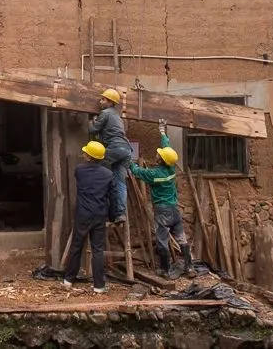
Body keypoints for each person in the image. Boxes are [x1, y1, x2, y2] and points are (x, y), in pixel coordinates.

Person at [129, 120, 194, 279]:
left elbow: (137, 171)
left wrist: (127, 158)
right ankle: (190, 267)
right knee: (181, 238)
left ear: (160, 160)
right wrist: (163, 131)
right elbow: (167, 148)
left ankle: (165, 270)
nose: (157, 153)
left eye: (159, 154)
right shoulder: (171, 167)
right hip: (174, 208)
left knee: (162, 240)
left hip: (162, 210)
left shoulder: (154, 174)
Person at [61, 140, 117, 294]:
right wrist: (112, 216)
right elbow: (113, 197)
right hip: (99, 215)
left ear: (89, 156)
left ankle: (68, 280)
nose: (84, 154)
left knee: (77, 246)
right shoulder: (108, 174)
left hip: (83, 215)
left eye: (86, 152)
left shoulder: (80, 170)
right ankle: (99, 286)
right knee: (98, 250)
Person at [88, 88, 131, 223]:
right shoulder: (117, 116)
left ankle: (96, 206)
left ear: (111, 102)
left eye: (103, 99)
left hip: (115, 147)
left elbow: (93, 129)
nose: (101, 101)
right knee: (120, 183)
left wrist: (91, 121)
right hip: (126, 150)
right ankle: (121, 214)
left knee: (95, 170)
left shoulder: (105, 113)